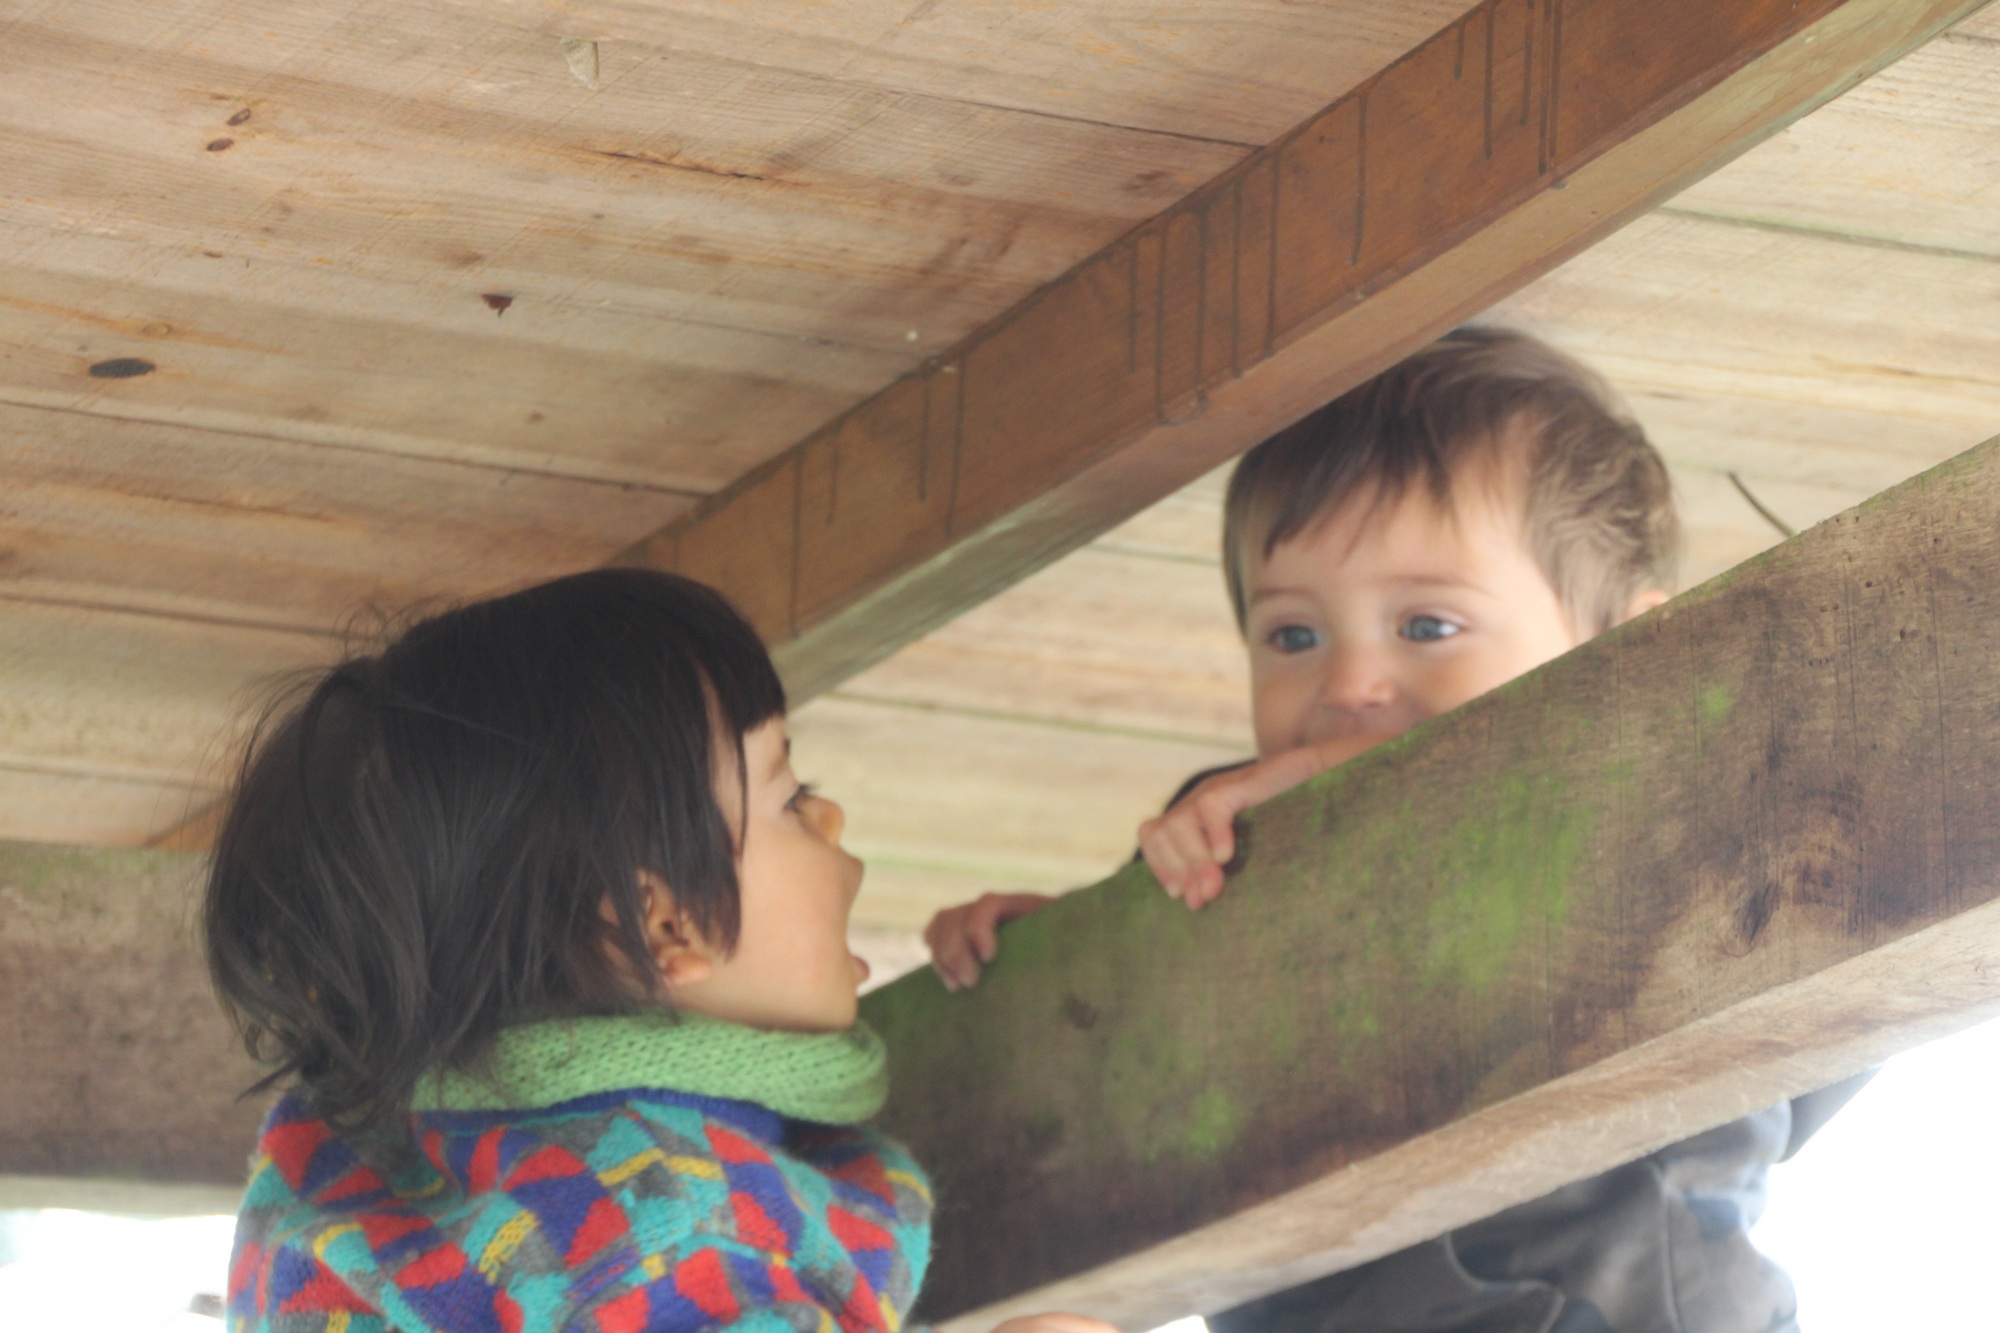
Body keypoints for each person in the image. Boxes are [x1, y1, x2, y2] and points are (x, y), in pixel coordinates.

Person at [923, 326, 1868, 1333]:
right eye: (1293, 634)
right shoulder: (1230, 834)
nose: (1348, 685)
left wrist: (1366, 792)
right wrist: (1066, 956)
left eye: (1426, 626)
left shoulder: (1664, 823)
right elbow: (1141, 1053)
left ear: (1625, 652)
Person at [204, 568, 1115, 1333]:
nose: (831, 817)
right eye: (791, 797)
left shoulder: (349, 1164)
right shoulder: (657, 1212)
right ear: (665, 925)